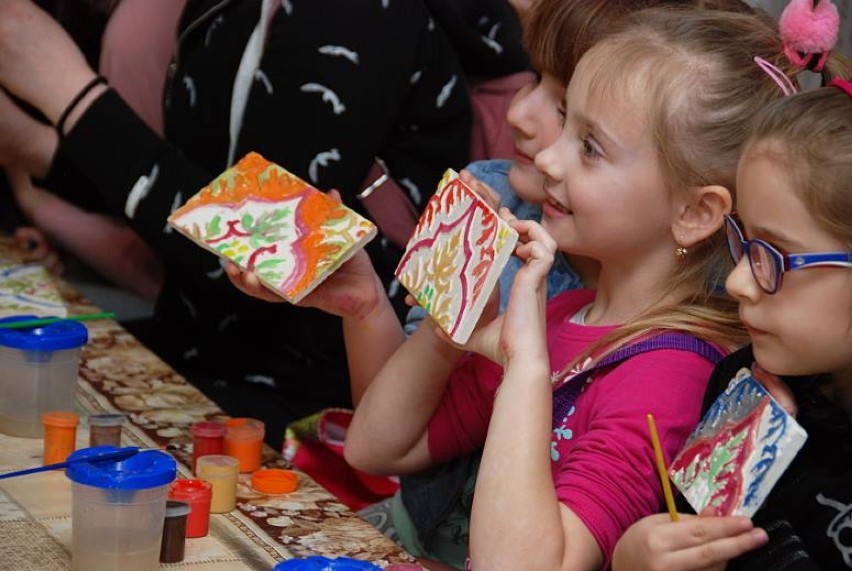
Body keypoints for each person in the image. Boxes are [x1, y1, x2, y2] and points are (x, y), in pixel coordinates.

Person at [0, 0, 473, 446]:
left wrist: (70, 94)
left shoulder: (353, 14)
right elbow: (195, 196)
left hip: (310, 395)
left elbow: (267, 257)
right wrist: (35, 143)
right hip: (202, 344)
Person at [612, 61, 852, 571]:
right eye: (743, 241)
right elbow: (682, 536)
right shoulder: (743, 389)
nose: (739, 281)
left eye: (774, 255)